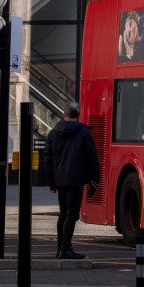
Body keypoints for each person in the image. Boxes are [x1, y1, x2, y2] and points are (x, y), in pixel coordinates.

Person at [44, 102, 100, 260]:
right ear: (78, 115)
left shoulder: (53, 133)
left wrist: (50, 182)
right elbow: (92, 158)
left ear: (64, 113)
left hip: (60, 180)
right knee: (71, 214)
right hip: (76, 179)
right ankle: (66, 249)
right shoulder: (84, 133)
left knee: (63, 214)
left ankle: (60, 249)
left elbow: (47, 159)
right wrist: (95, 180)